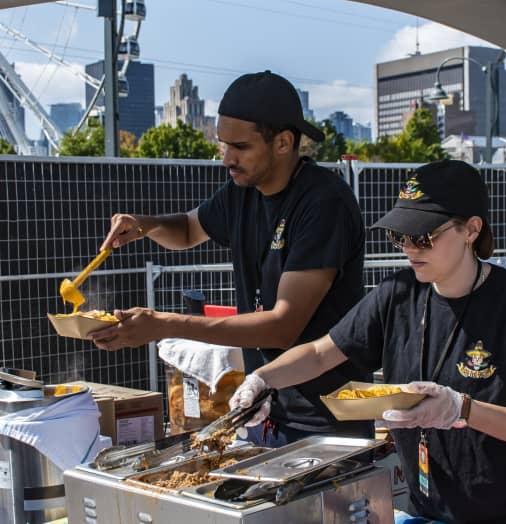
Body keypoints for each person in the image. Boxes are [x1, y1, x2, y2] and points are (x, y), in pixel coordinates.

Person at [229, 159, 506, 523]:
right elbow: (321, 353)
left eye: (423, 236)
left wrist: (460, 408)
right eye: (400, 236)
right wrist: (262, 380)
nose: (409, 248)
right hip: (430, 510)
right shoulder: (397, 295)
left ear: (471, 230)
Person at [90, 70, 371, 446]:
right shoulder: (241, 191)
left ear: (284, 142)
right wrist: (145, 225)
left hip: (324, 419)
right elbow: (189, 230)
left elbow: (282, 325)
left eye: (239, 147)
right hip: (259, 407)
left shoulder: (323, 203)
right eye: (223, 145)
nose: (227, 159)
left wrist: (164, 324)